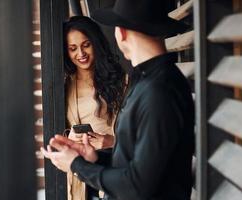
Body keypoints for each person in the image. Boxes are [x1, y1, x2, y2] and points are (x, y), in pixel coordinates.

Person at [42, 0, 195, 199]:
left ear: (121, 33)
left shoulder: (158, 91)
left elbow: (137, 186)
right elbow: (136, 160)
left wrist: (76, 165)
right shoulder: (148, 82)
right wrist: (94, 157)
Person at [62, 16, 125, 200]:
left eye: (86, 45)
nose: (81, 53)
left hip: (114, 169)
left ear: (96, 43)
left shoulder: (122, 82)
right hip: (82, 177)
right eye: (73, 49)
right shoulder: (64, 87)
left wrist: (112, 141)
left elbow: (139, 133)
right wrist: (70, 138)